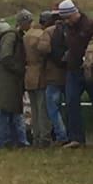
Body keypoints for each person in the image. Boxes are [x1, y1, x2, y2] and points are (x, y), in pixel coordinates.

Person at [57, 0, 93, 148]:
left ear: (73, 13)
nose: (66, 21)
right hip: (73, 70)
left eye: (67, 18)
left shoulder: (91, 25)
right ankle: (76, 137)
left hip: (90, 70)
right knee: (71, 102)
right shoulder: (67, 27)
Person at [0, 9, 31, 148]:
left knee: (13, 111)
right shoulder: (11, 37)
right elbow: (5, 57)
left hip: (11, 79)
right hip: (7, 80)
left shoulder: (15, 36)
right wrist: (19, 69)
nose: (30, 25)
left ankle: (15, 140)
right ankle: (3, 141)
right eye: (29, 22)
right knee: (4, 111)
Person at [37, 11, 68, 145]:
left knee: (52, 108)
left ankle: (61, 135)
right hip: (68, 73)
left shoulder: (48, 31)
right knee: (70, 106)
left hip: (53, 75)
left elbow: (42, 48)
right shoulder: (69, 29)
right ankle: (74, 134)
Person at [23, 11, 52, 147]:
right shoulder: (42, 35)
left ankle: (36, 138)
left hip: (29, 73)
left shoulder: (27, 35)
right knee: (42, 109)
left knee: (33, 109)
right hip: (41, 73)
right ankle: (44, 138)